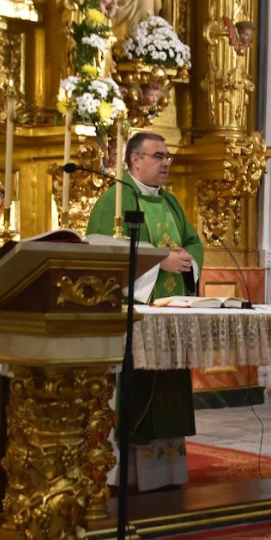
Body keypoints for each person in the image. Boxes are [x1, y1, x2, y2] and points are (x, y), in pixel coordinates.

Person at [86, 132, 203, 491]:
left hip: (171, 312)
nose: (166, 163)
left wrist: (186, 261)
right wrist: (158, 262)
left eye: (168, 157)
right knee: (136, 389)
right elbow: (103, 250)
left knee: (168, 387)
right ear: (135, 160)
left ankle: (165, 474)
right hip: (135, 313)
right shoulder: (114, 199)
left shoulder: (170, 202)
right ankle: (127, 475)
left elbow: (192, 241)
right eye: (158, 156)